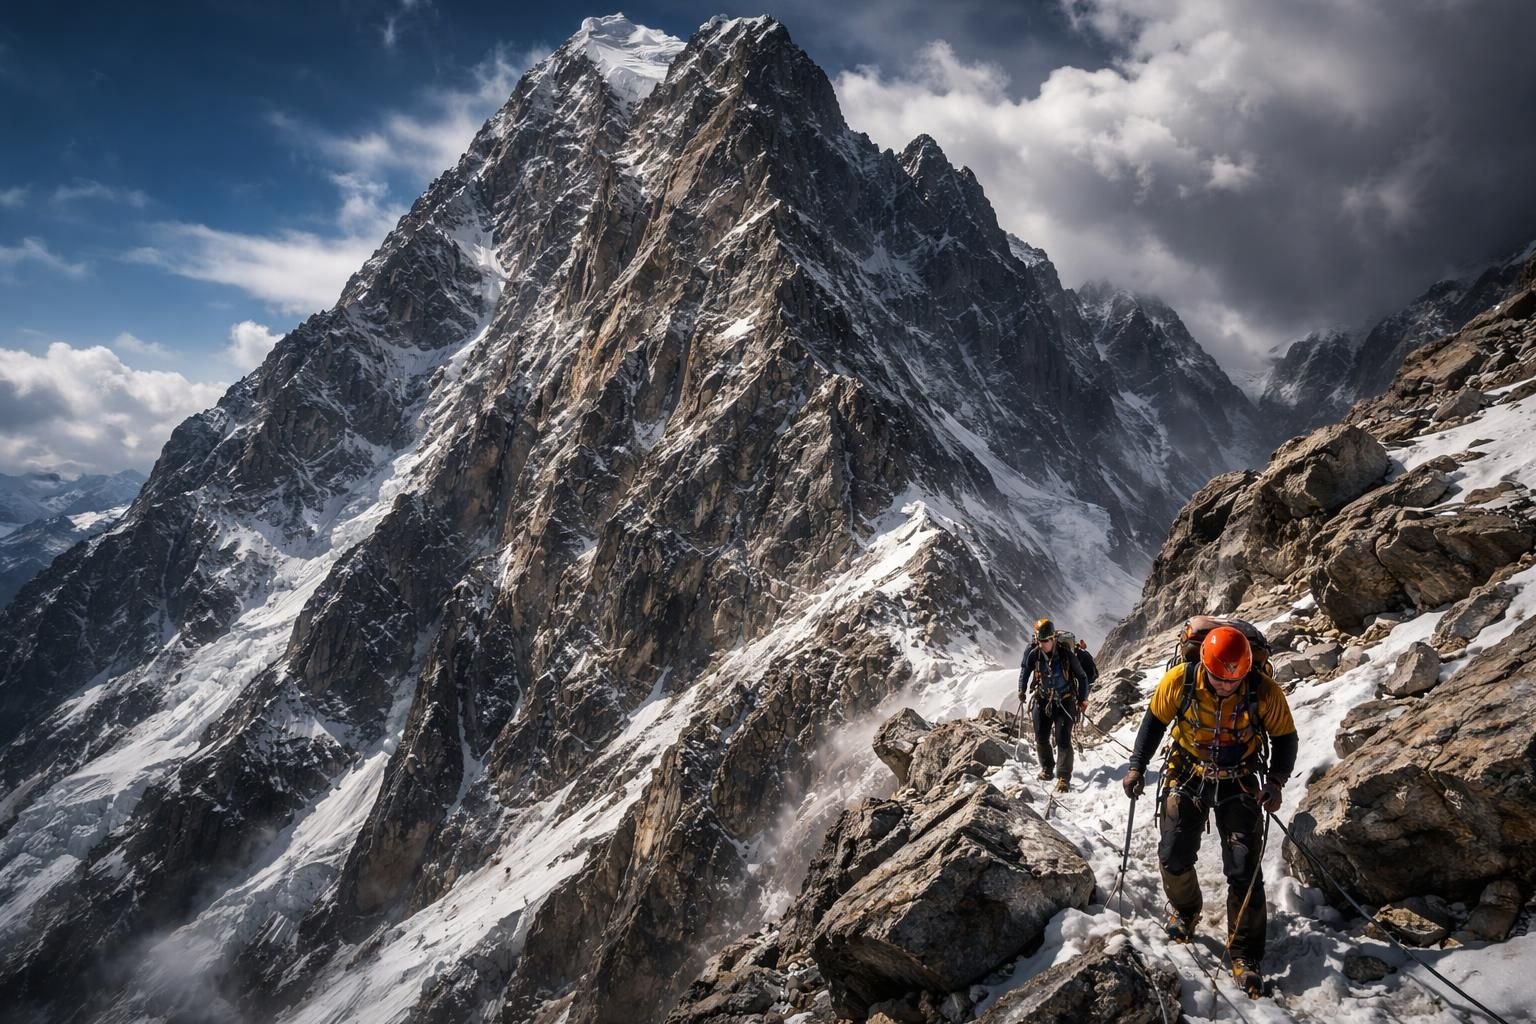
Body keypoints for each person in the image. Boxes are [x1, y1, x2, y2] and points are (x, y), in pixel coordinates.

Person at [1121, 625, 1298, 997]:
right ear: (1205, 665)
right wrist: (1137, 765)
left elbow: (1285, 738)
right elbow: (1153, 723)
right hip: (1187, 771)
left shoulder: (1263, 690)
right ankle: (1187, 910)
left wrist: (1276, 782)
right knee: (1173, 854)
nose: (1226, 686)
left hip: (1241, 780)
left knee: (1243, 867)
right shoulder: (1180, 681)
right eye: (1219, 679)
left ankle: (1245, 953)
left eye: (1233, 680)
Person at [1017, 618, 1090, 793]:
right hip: (1042, 699)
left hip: (1065, 701)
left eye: (1045, 641)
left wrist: (1082, 699)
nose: (1042, 645)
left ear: (1053, 639)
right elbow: (1025, 670)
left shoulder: (1067, 655)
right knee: (1041, 737)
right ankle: (1047, 768)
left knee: (1063, 739)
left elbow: (1082, 677)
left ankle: (1064, 777)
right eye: (1040, 641)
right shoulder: (1033, 652)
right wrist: (1021, 689)